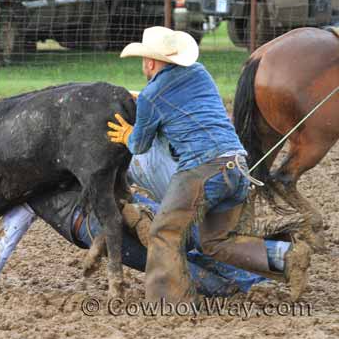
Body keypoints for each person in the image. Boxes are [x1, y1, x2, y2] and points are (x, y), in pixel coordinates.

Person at [106, 26, 311, 303]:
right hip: (237, 166)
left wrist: (128, 134)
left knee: (164, 232)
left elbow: (140, 145)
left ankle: (170, 303)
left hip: (202, 170)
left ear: (150, 62)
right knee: (216, 241)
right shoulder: (199, 73)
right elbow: (183, 103)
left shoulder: (152, 95)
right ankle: (286, 258)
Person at [0, 136, 300, 298]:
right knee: (195, 240)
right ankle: (276, 261)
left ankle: (233, 290)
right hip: (135, 205)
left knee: (165, 261)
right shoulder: (61, 160)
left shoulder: (25, 197)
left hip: (94, 226)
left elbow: (7, 237)